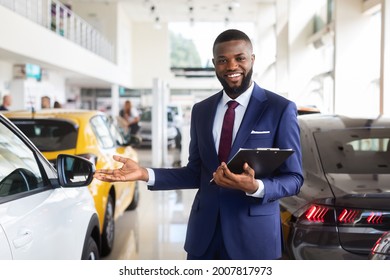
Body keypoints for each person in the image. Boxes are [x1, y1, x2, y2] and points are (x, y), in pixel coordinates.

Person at [94, 29, 303, 260]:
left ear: (252, 59)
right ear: (214, 64)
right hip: (204, 237)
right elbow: (196, 173)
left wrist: (256, 187)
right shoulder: (202, 111)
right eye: (223, 60)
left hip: (253, 238)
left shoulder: (280, 109)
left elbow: (294, 178)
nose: (231, 66)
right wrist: (144, 173)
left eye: (240, 58)